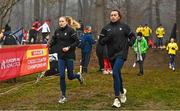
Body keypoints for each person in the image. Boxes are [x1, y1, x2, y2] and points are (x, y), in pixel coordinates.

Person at [99, 10, 135, 108]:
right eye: (111, 15)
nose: (113, 17)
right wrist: (107, 38)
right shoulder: (106, 28)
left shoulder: (124, 27)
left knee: (115, 72)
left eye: (115, 15)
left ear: (119, 17)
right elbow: (101, 42)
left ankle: (116, 99)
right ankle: (122, 92)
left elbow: (132, 36)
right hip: (111, 54)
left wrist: (130, 43)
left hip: (122, 53)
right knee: (117, 73)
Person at [48, 16, 84, 104]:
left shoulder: (71, 30)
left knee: (70, 76)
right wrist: (49, 45)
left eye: (62, 21)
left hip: (69, 55)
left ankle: (78, 76)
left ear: (66, 22)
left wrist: (69, 47)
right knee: (61, 76)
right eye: (59, 21)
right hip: (61, 56)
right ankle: (63, 96)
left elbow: (77, 42)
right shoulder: (57, 31)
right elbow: (54, 41)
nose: (61, 23)